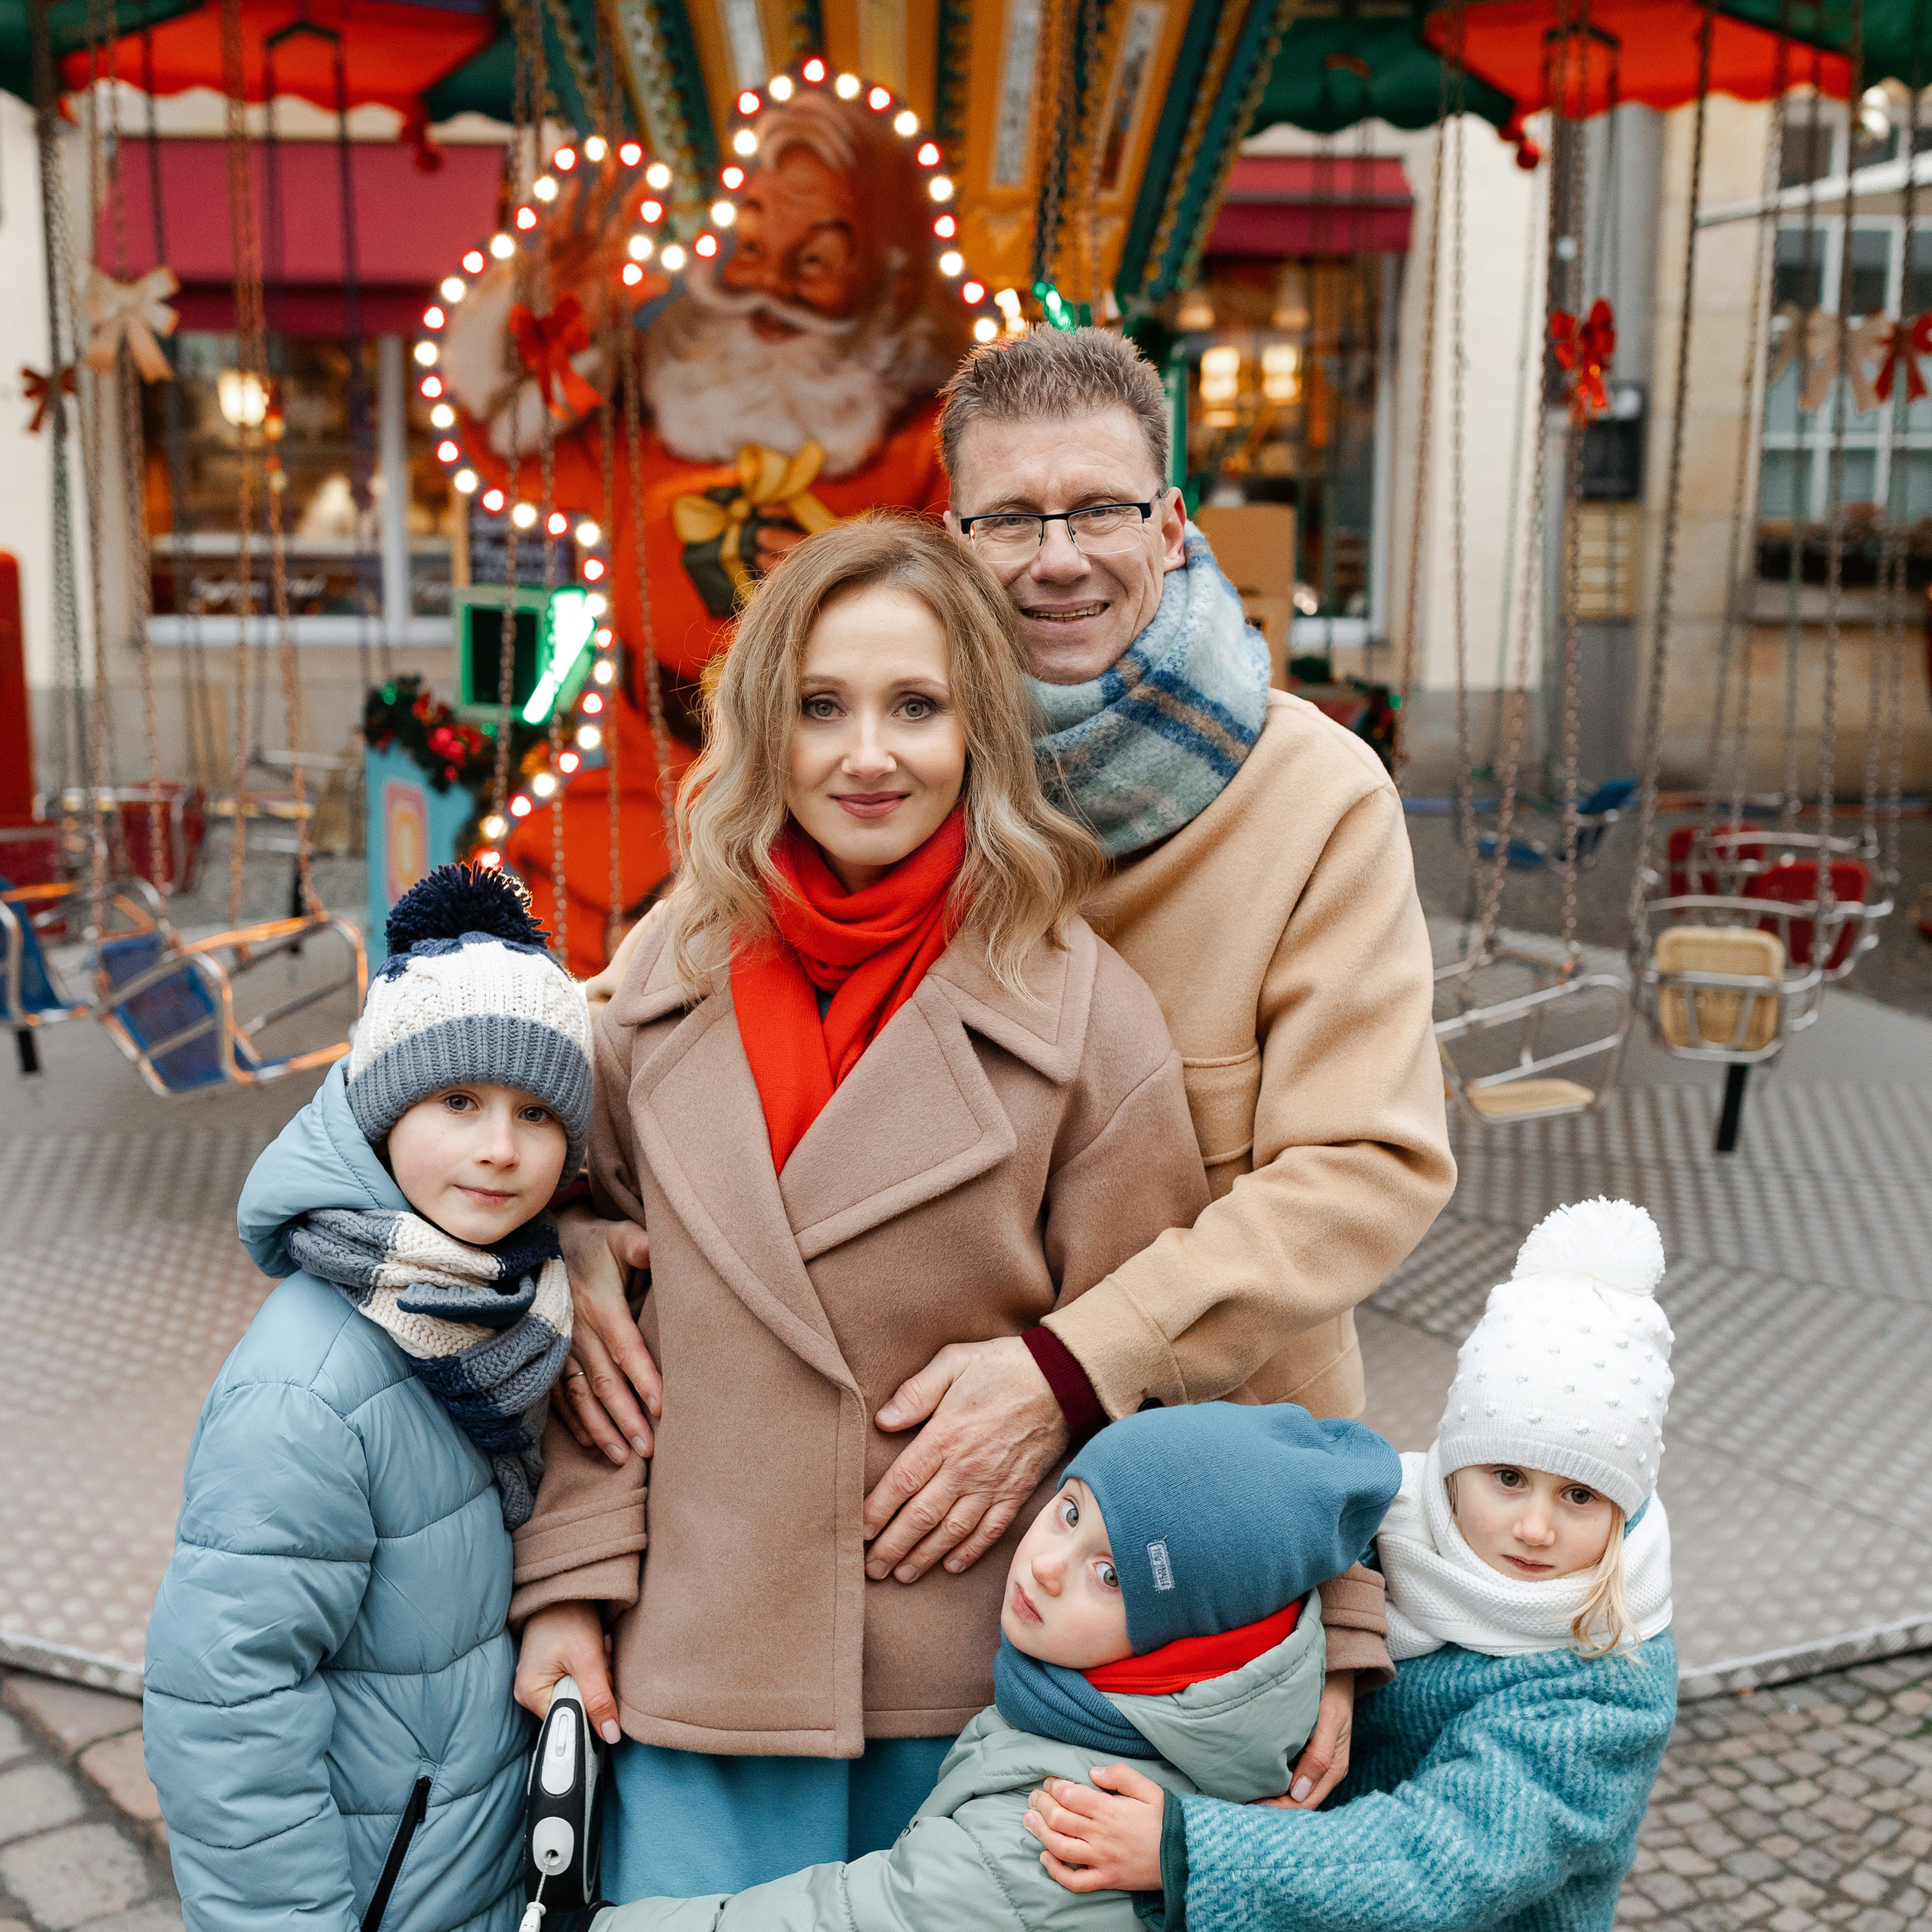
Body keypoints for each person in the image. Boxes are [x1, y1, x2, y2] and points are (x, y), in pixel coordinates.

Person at [561, 325, 1455, 1804]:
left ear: (1170, 528)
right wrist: (572, 1222)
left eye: (1099, 509)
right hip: (794, 1581)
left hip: (1149, 1509)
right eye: (1012, 520)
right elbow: (623, 1037)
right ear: (954, 543)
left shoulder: (1306, 799)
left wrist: (1086, 1377)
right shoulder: (874, 773)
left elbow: (1357, 1173)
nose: (1059, 558)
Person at [1021, 1197, 1679, 1932]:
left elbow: (1444, 1858)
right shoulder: (1400, 1533)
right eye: (1508, 1477)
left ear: (1623, 1509)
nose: (1533, 1527)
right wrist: (1346, 1656)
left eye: (1580, 1495)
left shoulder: (1605, 1686)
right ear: (1454, 1465)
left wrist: (1186, 1851)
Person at [142, 865, 592, 1932]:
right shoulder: (311, 1388)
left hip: (459, 1859)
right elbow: (226, 1706)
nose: (498, 1146)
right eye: (457, 1101)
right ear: (382, 1109)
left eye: (537, 1112)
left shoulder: (504, 1307)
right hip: (365, 1889)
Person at [438, 89, 971, 962]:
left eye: (812, 263)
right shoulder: (658, 423)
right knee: (525, 956)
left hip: (850, 789)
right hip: (644, 773)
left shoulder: (929, 439)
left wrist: (859, 576)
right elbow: (499, 449)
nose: (766, 287)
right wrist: (545, 315)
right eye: (752, 245)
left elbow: (989, 596)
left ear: (887, 276)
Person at [571, 1402, 1401, 1932]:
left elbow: (862, 1917)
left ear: (1184, 1637)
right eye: (1068, 1512)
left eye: (1109, 1576)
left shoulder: (1074, 1815)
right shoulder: (1178, 1705)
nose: (1045, 1564)